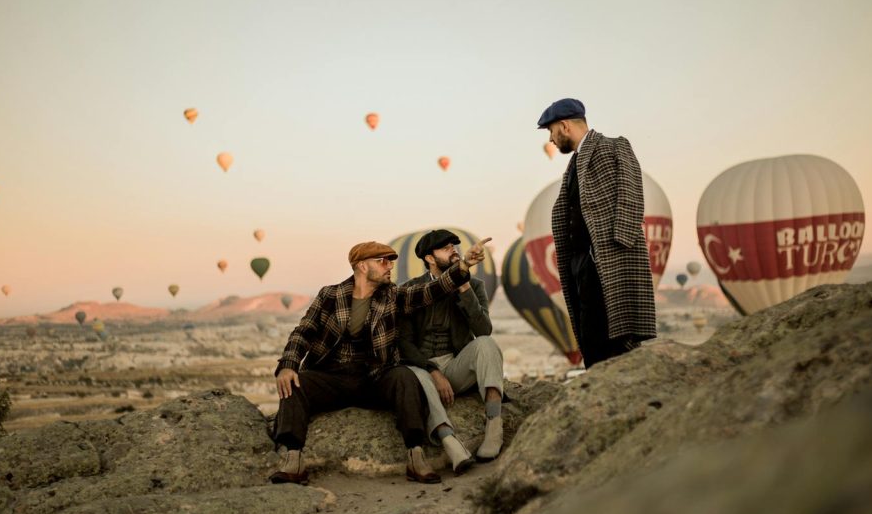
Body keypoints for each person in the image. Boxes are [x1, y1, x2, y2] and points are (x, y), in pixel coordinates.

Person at [271, 238, 490, 485]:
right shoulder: (330, 295)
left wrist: (463, 266)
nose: (389, 267)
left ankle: (416, 456)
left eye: (391, 262)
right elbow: (304, 331)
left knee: (405, 376)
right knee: (293, 383)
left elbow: (431, 290)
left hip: (373, 377)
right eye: (383, 261)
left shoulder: (393, 296)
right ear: (362, 266)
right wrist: (288, 365)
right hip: (332, 376)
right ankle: (293, 460)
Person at [538, 98, 656, 367]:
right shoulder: (574, 165)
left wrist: (618, 244)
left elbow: (631, 194)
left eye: (551, 131)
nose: (551, 140)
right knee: (590, 336)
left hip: (606, 258)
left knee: (612, 336)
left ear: (564, 126)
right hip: (580, 262)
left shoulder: (613, 146)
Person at [398, 230, 504, 472]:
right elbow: (404, 343)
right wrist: (434, 371)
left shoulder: (474, 285)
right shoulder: (410, 290)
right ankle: (450, 441)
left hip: (456, 364)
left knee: (487, 344)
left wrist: (465, 289)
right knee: (417, 375)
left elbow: (483, 330)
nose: (453, 250)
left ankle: (494, 427)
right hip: (421, 367)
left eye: (454, 246)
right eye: (445, 248)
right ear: (430, 259)